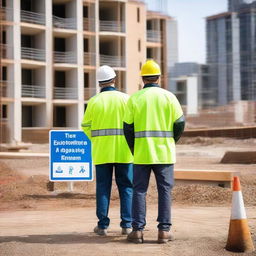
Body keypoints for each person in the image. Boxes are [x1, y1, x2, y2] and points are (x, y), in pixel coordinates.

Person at [123, 59, 185, 243]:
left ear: (143, 78)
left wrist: (134, 147)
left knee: (139, 191)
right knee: (165, 190)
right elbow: (180, 123)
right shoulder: (169, 97)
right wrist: (172, 141)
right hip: (164, 153)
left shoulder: (135, 98)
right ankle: (164, 231)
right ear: (159, 77)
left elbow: (127, 127)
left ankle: (137, 231)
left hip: (142, 153)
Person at [81, 65, 133, 236]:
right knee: (126, 187)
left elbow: (86, 126)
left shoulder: (94, 101)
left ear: (99, 82)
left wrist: (97, 140)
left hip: (102, 151)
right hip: (124, 151)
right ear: (114, 79)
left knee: (103, 187)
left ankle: (102, 226)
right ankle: (127, 225)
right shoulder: (126, 99)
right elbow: (132, 125)